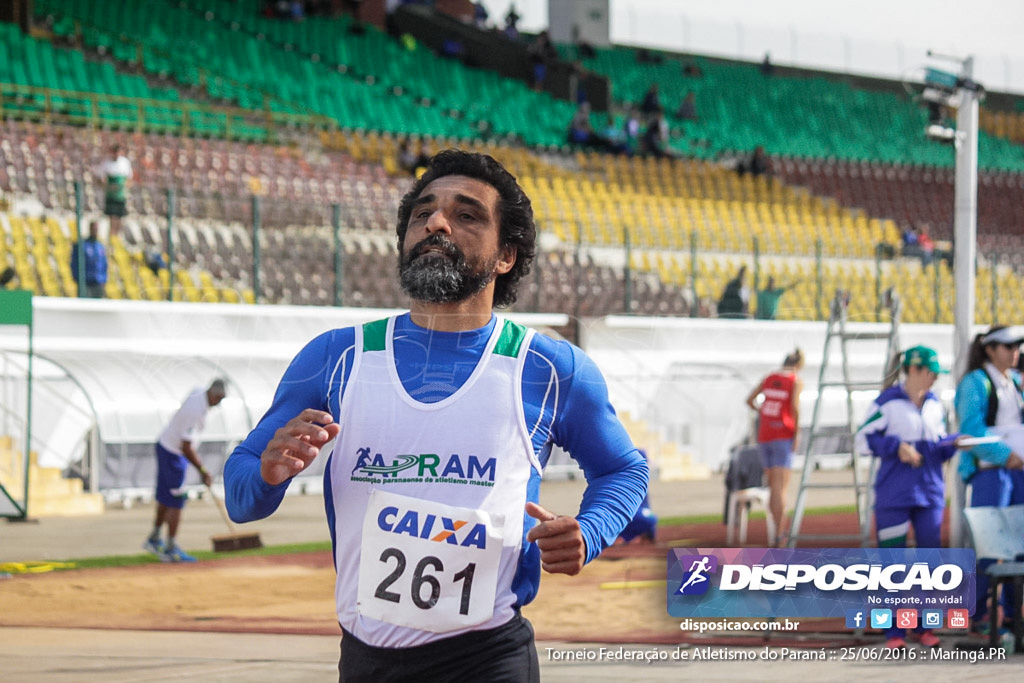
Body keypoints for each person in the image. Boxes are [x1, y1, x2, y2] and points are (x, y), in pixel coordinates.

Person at [223, 150, 648, 679]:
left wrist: (590, 529)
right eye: (423, 212)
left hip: (489, 660)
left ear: (506, 256)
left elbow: (624, 469)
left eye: (466, 215)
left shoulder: (550, 368)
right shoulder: (336, 358)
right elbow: (240, 497)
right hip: (365, 661)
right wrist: (267, 471)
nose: (436, 222)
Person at [855, 345, 961, 649]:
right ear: (912, 369)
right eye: (929, 372)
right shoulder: (886, 402)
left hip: (930, 492)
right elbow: (863, 438)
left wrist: (953, 444)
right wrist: (896, 447)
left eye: (936, 374)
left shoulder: (935, 404)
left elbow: (938, 443)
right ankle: (894, 633)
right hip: (894, 494)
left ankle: (924, 627)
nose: (933, 379)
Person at [954, 325, 1024, 631]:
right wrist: (1005, 454)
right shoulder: (976, 382)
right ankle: (979, 613)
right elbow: (970, 431)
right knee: (987, 545)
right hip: (991, 474)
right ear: (990, 349)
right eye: (1008, 346)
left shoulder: (1016, 382)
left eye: (1017, 346)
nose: (1015, 352)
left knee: (1018, 545)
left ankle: (1012, 612)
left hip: (1016, 472)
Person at [144, 379, 227, 562]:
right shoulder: (195, 411)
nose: (218, 403)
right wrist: (203, 470)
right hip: (174, 454)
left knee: (166, 497)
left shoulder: (198, 392)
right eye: (219, 399)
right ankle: (170, 546)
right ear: (213, 394)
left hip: (166, 446)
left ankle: (155, 537)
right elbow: (186, 447)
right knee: (177, 501)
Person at [745, 349, 803, 546]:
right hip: (782, 435)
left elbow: (749, 400)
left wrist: (764, 413)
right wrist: (797, 433)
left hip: (765, 435)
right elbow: (794, 408)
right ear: (798, 365)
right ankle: (780, 535)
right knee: (781, 488)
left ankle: (775, 533)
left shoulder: (768, 378)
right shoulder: (794, 380)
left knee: (772, 486)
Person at [95, 144, 133, 239]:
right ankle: (111, 237)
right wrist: (107, 186)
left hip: (120, 195)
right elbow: (99, 178)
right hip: (110, 194)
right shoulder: (106, 163)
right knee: (111, 217)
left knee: (119, 217)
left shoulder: (125, 163)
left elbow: (129, 179)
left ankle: (117, 237)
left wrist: (122, 187)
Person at [70, 220, 107, 298]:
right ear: (90, 229)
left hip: (98, 283)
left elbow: (104, 264)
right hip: (86, 283)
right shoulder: (83, 245)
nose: (95, 231)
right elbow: (75, 262)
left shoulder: (100, 246)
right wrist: (77, 278)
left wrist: (103, 279)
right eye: (94, 229)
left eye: (97, 229)